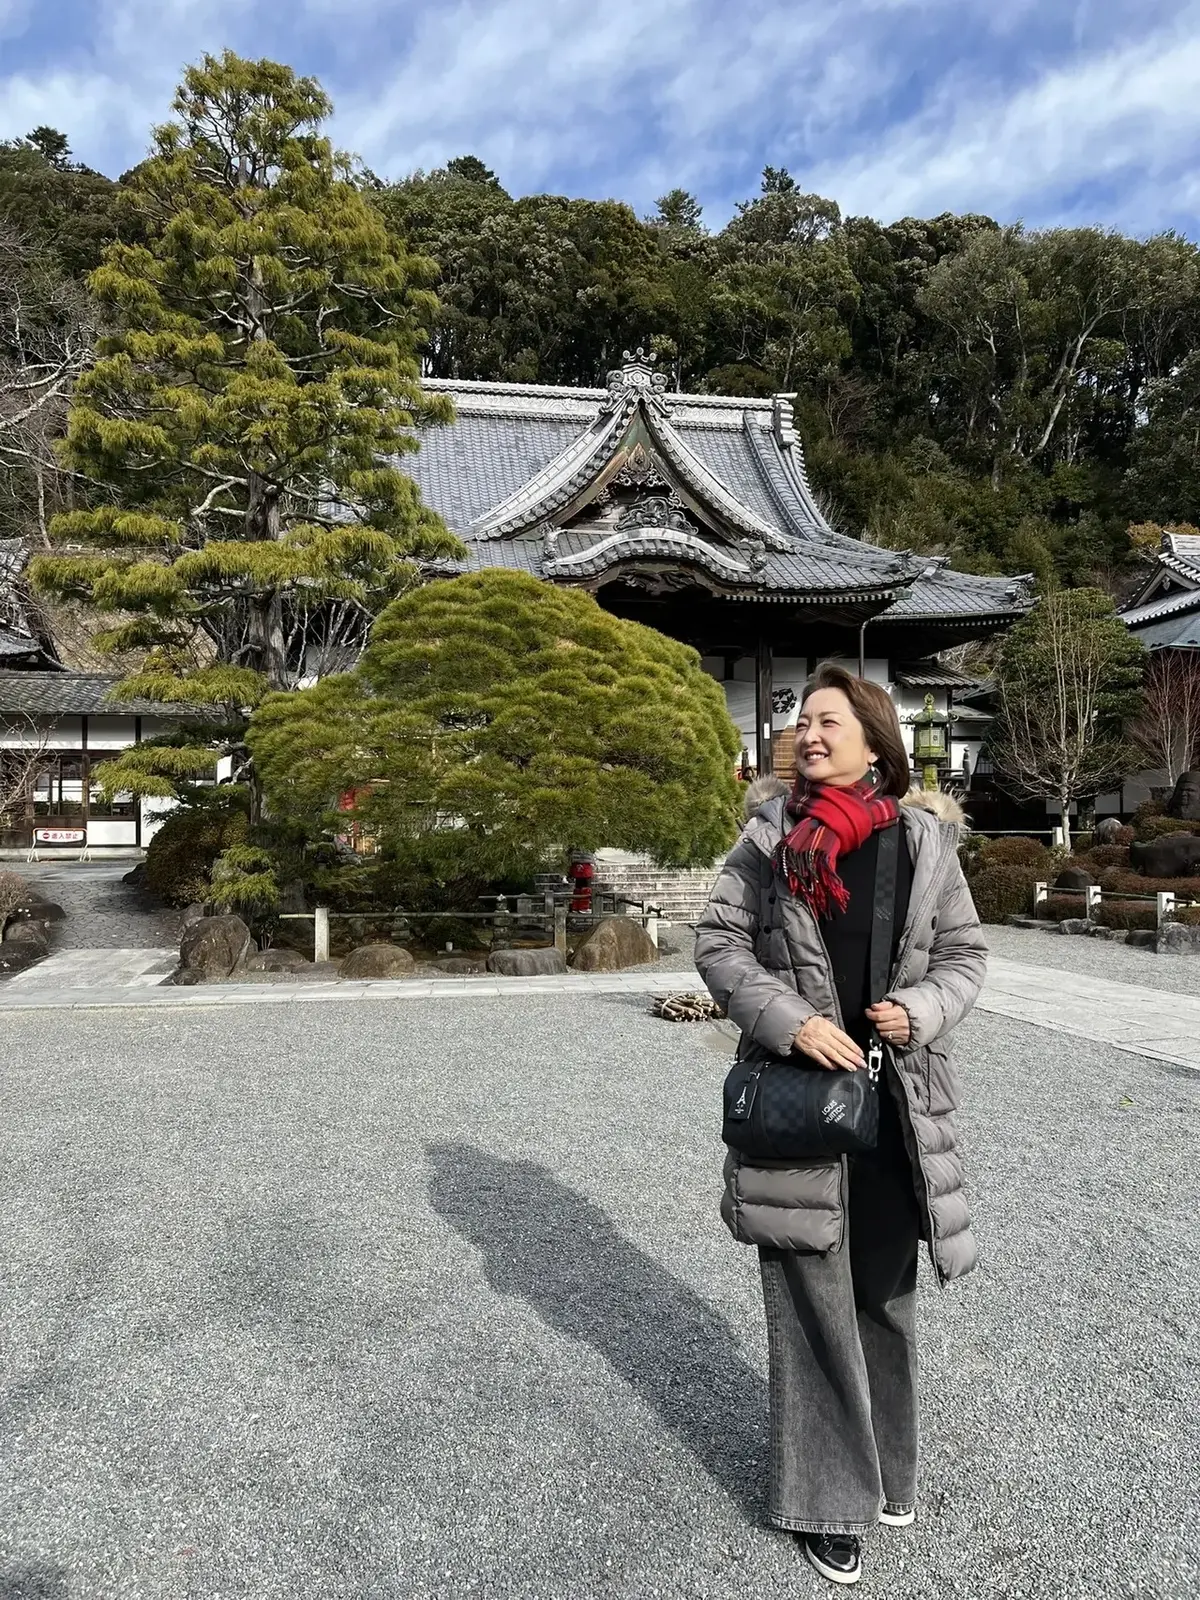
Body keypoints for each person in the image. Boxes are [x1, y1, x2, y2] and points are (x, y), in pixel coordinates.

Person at [695, 663, 987, 1587]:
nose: (808, 735)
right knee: (814, 1303)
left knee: (882, 1297)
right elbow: (719, 943)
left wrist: (922, 1010)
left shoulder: (924, 843)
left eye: (828, 721)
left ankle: (889, 1470)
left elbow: (966, 954)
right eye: (800, 721)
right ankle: (828, 1502)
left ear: (873, 738)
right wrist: (791, 1020)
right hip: (803, 1100)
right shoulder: (768, 838)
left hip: (898, 1101)